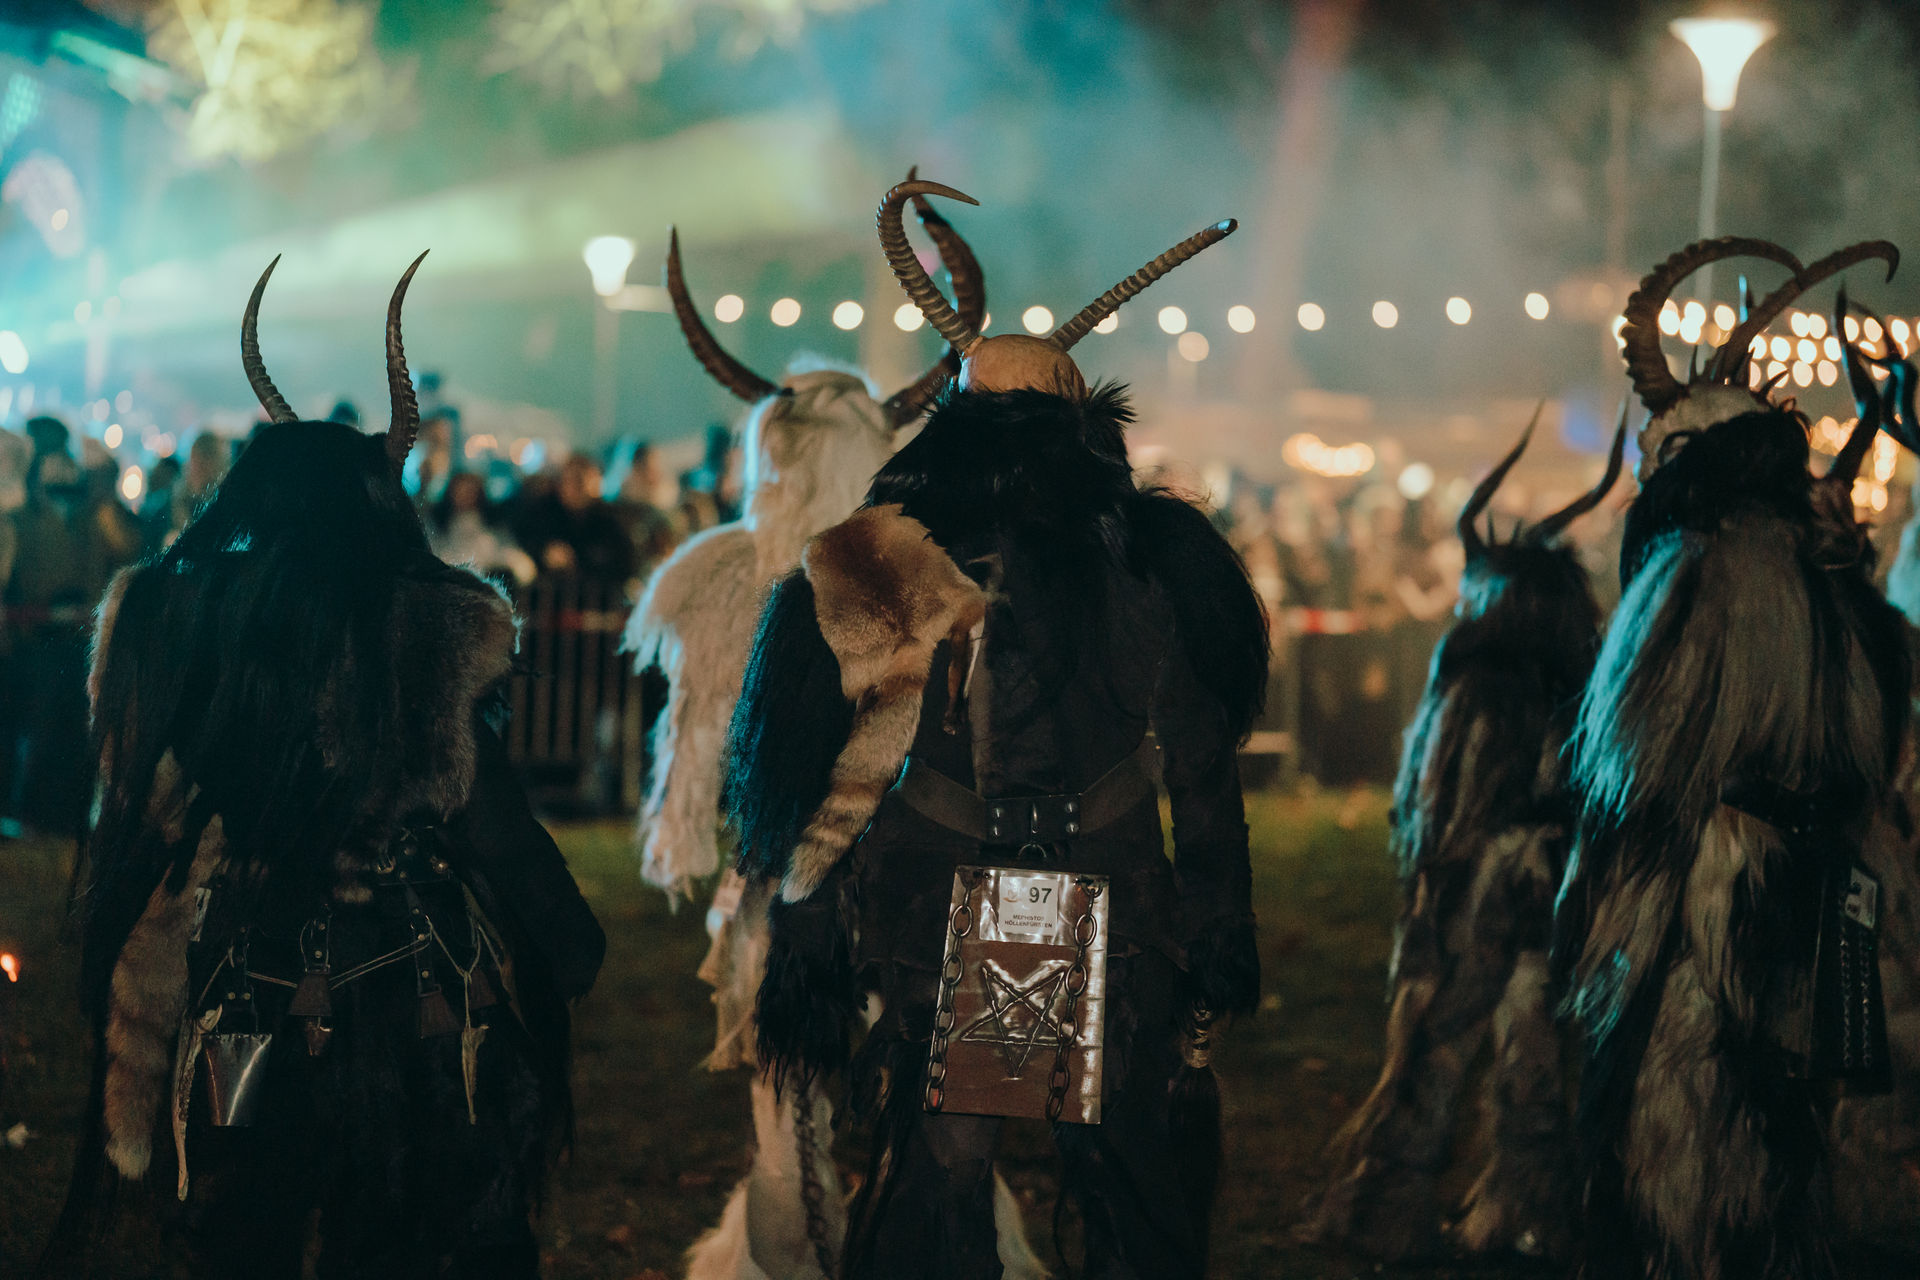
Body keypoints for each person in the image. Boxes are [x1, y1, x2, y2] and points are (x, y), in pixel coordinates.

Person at [728, 180, 1266, 1280]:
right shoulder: (1150, 553)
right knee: (1091, 1185)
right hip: (1076, 891)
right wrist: (1218, 923)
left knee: (962, 1179)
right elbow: (1204, 772)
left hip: (966, 894)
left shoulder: (883, 553)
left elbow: (809, 770)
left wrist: (809, 921)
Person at [39, 255, 604, 1279]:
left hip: (242, 980)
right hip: (408, 985)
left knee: (240, 1208)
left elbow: (141, 813)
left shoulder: (179, 610)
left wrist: (119, 970)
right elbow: (487, 816)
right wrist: (566, 938)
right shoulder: (424, 618)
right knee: (394, 1223)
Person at [1555, 240, 1907, 1280]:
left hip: (1711, 892)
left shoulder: (1695, 571)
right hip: (1816, 882)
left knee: (1682, 1107)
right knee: (1782, 1113)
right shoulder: (1827, 580)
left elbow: (1631, 769)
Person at [1300, 415, 1622, 1263]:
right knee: (1528, 1049)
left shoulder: (1476, 674)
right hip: (1547, 881)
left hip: (1481, 886)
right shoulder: (1574, 674)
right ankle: (1521, 1217)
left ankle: (1425, 1209)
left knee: (1449, 1044)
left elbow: (1438, 802)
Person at [429, 469, 537, 587]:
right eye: (460, 490)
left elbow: (505, 550)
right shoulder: (440, 523)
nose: (464, 495)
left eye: (469, 491)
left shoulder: (490, 523)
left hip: (483, 581)